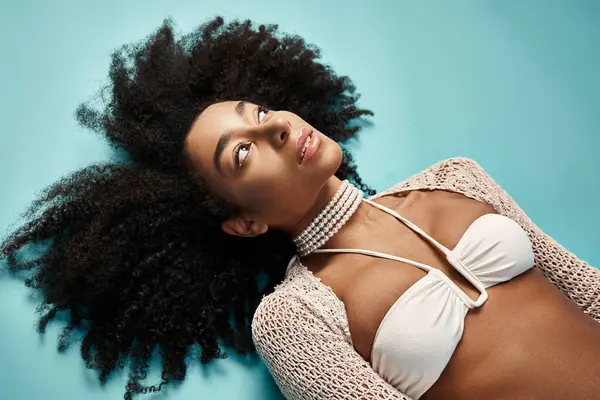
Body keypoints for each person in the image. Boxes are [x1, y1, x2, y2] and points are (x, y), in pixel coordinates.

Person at [2, 16, 599, 400]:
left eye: (259, 113)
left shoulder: (457, 177)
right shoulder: (292, 317)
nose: (277, 129)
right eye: (241, 154)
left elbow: (582, 287)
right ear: (243, 221)